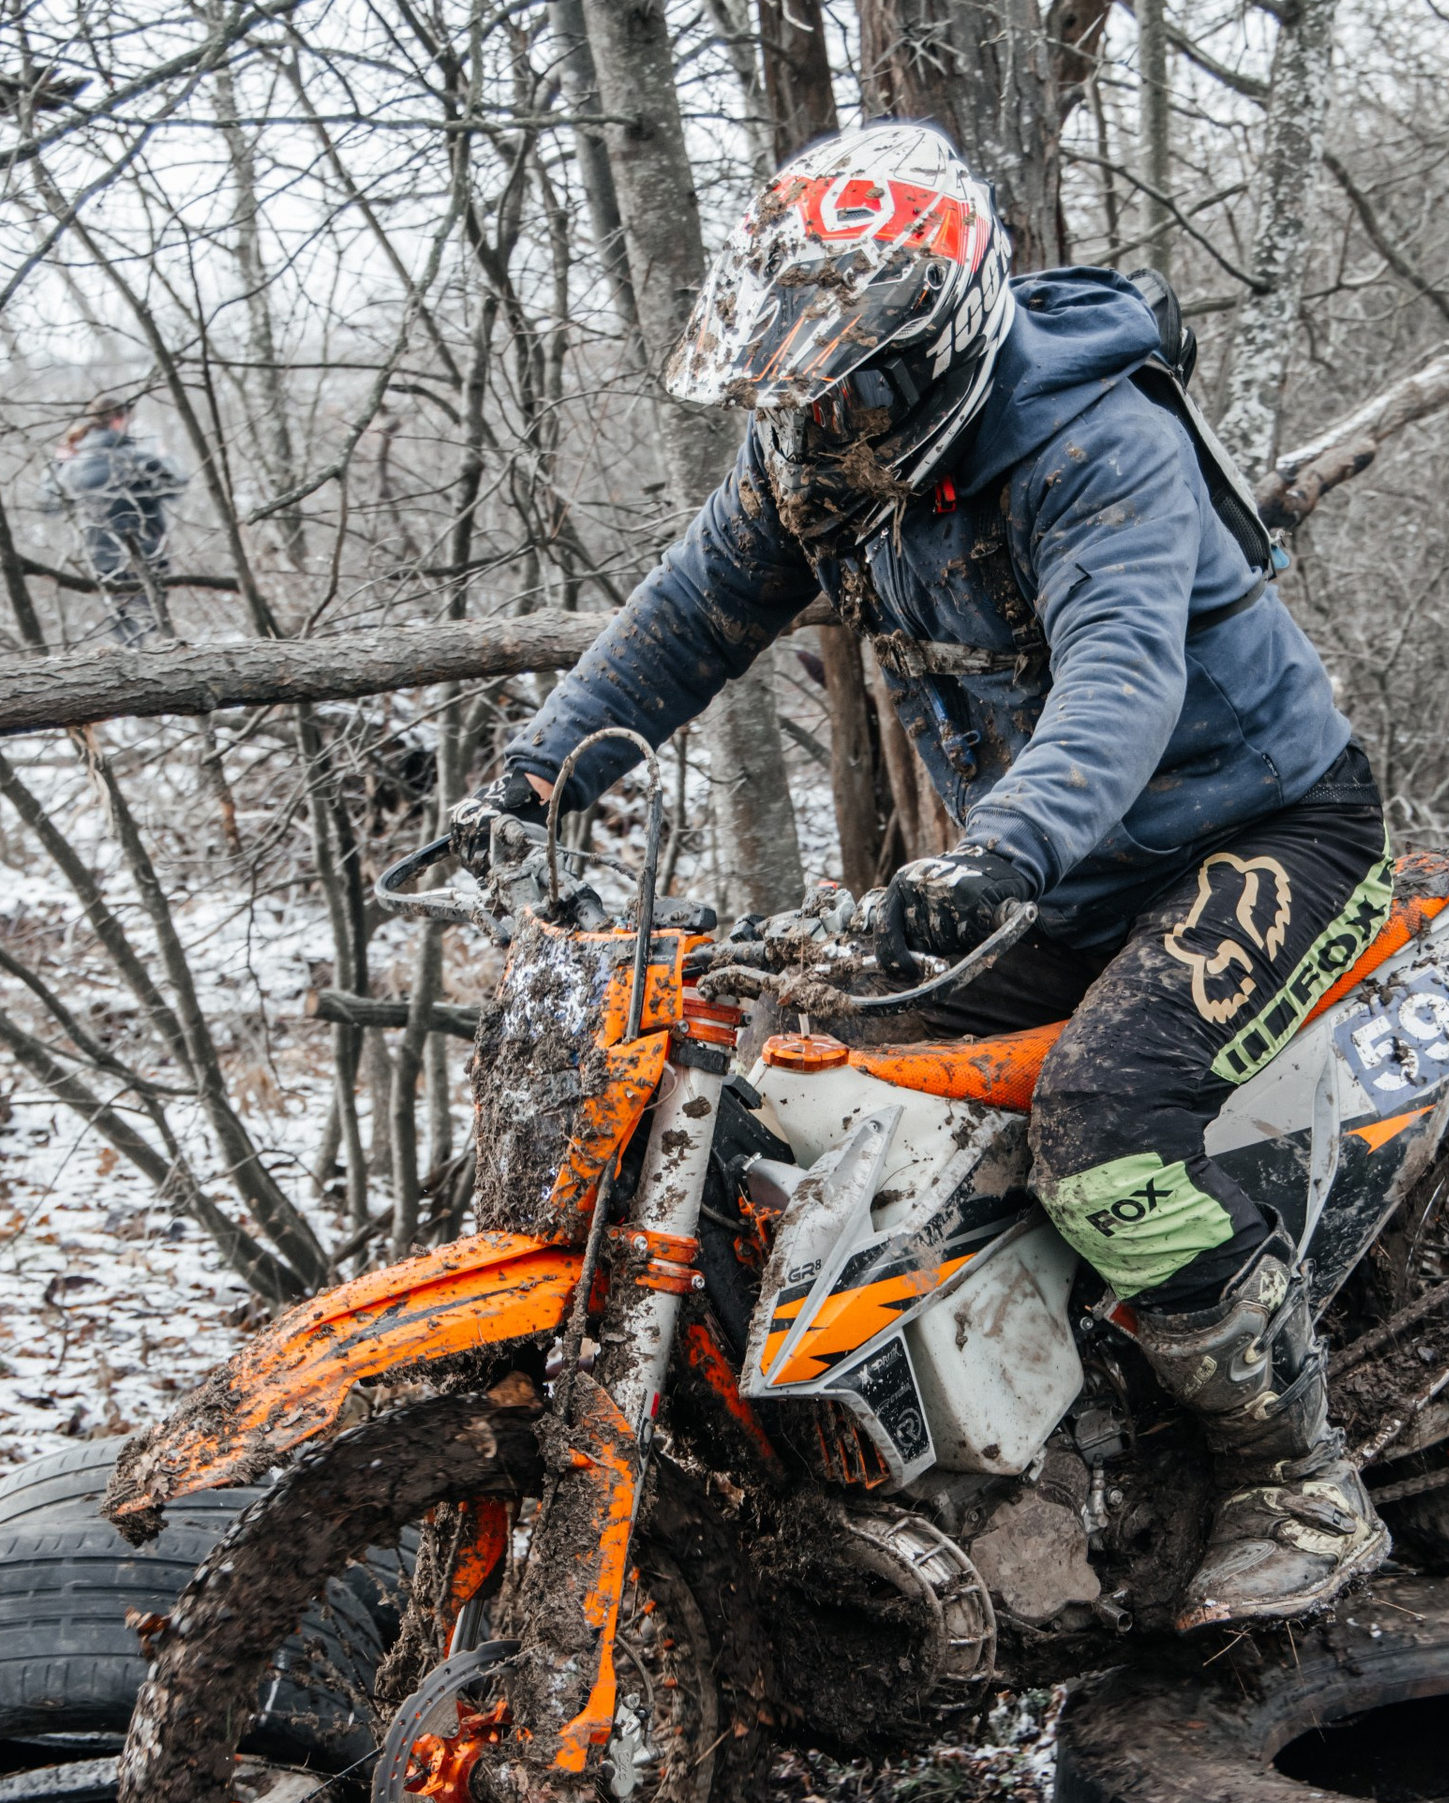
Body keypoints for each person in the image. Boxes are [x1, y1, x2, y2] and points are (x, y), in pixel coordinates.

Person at [468, 119, 1394, 1626]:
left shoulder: (1096, 441)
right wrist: (538, 771)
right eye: (802, 375)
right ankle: (1012, 1420)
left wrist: (999, 851)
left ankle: (1295, 1472)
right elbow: (689, 614)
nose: (821, 413)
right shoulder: (827, 454)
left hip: (1258, 831)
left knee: (1104, 1120)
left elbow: (1119, 677)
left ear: (939, 341)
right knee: (818, 1071)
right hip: (1049, 869)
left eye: (848, 378)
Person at [43, 399, 185, 644]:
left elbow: (48, 503)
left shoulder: (72, 467)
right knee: (155, 629)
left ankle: (133, 677)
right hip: (148, 556)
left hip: (101, 561)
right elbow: (176, 485)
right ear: (119, 419)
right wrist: (164, 456)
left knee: (126, 636)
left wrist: (57, 464)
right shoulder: (139, 459)